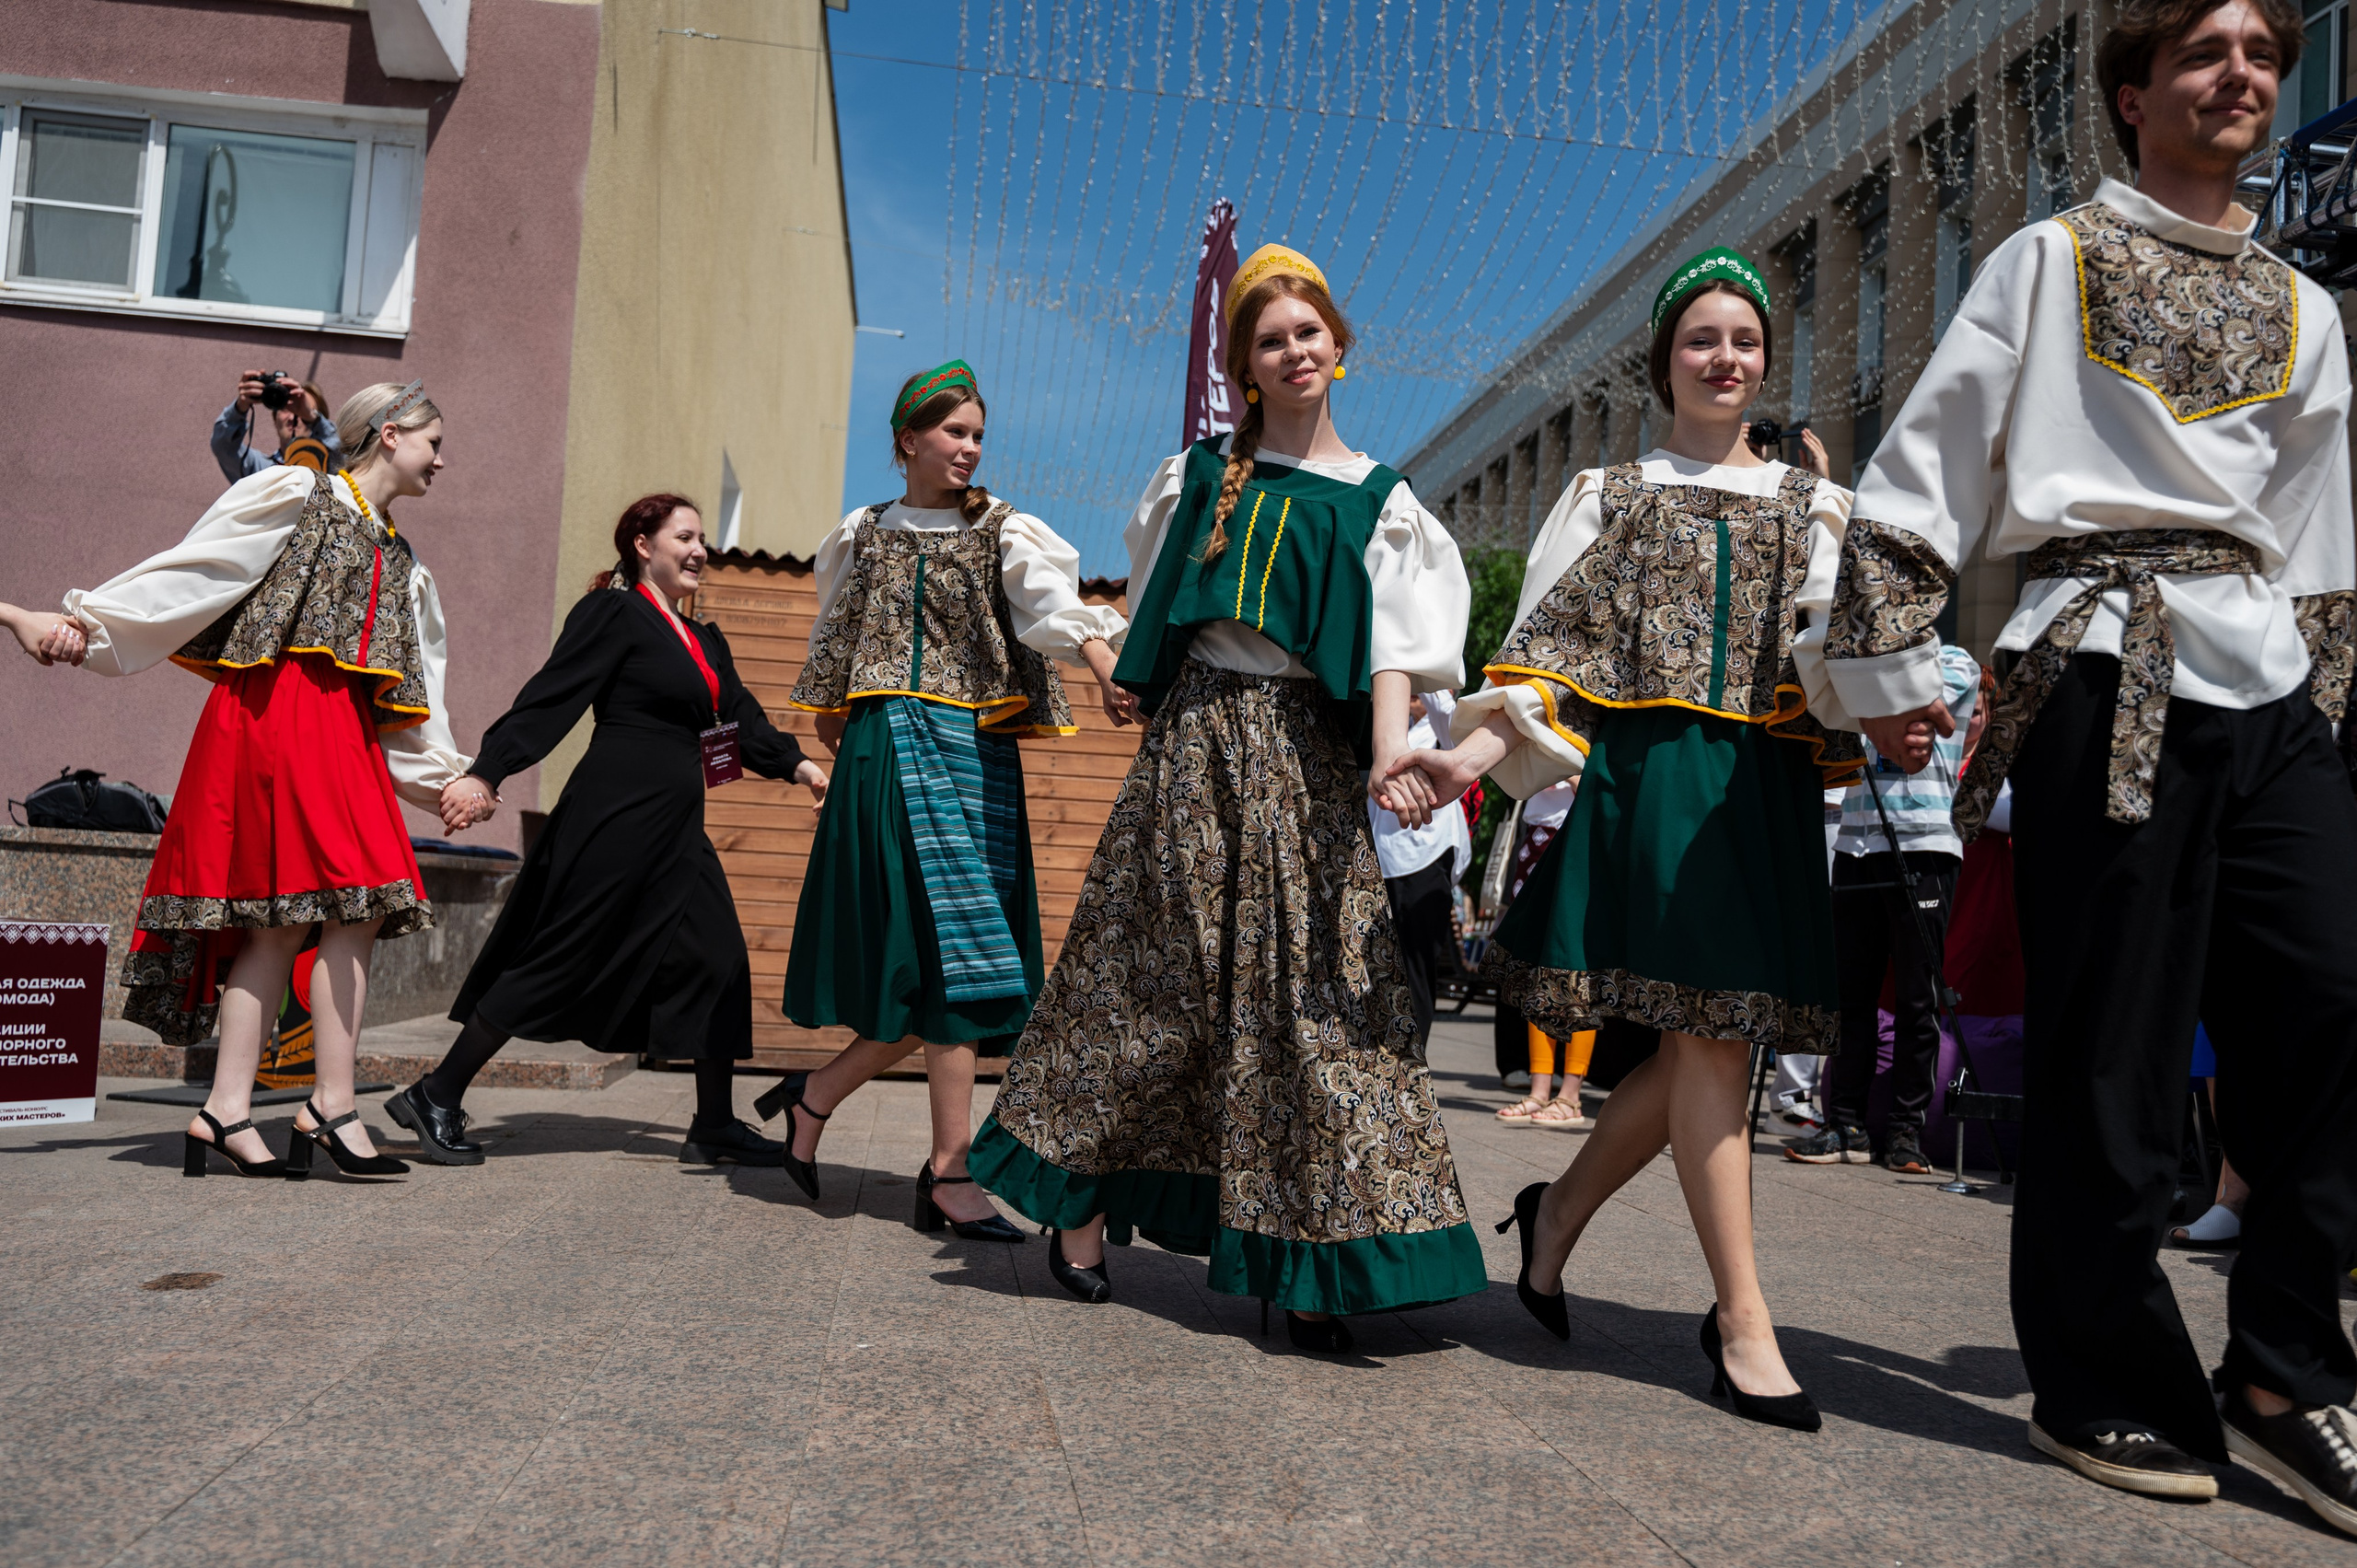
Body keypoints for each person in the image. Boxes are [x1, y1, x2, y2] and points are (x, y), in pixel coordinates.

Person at [1821, 0, 2357, 1527]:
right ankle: (2107, 1374)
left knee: (2333, 996)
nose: (2242, 74)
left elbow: (2320, 526)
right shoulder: (2044, 262)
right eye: (2205, 52)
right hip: (2102, 656)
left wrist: (2325, 705)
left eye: (2264, 54)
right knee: (2113, 1042)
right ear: (2133, 94)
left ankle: (2284, 1370)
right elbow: (1925, 466)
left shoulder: (2305, 310)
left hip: (2266, 677)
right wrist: (1885, 681)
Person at [967, 244, 1486, 1348]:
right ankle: (1080, 1205)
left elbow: (1395, 652)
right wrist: (1118, 665)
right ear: (1244, 366)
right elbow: (1152, 609)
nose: (1293, 351)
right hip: (1197, 749)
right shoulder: (1199, 476)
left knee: (1324, 1005)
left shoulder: (1382, 500)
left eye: (1307, 332)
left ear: (1339, 345)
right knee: (1150, 983)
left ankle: (1313, 1260)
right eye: (1269, 339)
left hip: (1314, 764)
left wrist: (1388, 755)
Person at [1394, 247, 1864, 1429]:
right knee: (1710, 1045)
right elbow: (1545, 656)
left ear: (1766, 359)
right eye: (1701, 338)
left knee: (1707, 1046)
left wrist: (1897, 703)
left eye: (1744, 339)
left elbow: (1842, 654)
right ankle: (1744, 1321)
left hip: (1763, 788)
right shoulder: (1612, 494)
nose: (1724, 357)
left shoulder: (1815, 504)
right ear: (1664, 362)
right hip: (1654, 784)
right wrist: (1465, 760)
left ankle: (1554, 1215)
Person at [1, 379, 476, 1179]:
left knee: (280, 924)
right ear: (391, 433)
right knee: (352, 907)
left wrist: (446, 779)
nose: (443, 461)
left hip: (340, 731)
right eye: (435, 443)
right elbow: (198, 569)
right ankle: (330, 1106)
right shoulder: (301, 492)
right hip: (280, 716)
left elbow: (413, 688)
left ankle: (224, 1110)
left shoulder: (402, 559)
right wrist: (90, 624)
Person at [756, 361, 1130, 1239]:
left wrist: (1103, 662)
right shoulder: (861, 533)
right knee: (942, 957)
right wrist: (839, 737)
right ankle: (948, 1171)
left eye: (977, 435)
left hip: (977, 751)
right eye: (955, 432)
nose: (970, 448)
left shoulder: (1003, 529)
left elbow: (1052, 602)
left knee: (968, 960)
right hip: (886, 748)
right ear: (907, 440)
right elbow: (833, 639)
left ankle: (818, 1099)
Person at [384, 495, 829, 1168]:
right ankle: (436, 1092)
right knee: (562, 953)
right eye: (685, 536)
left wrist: (800, 766)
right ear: (643, 545)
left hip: (677, 826)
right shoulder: (613, 613)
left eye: (703, 539)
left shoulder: (705, 640)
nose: (700, 550)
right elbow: (551, 697)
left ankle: (713, 1123)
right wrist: (487, 772)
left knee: (718, 958)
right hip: (616, 816)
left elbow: (740, 720)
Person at [1787, 642, 1980, 1174]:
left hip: (1925, 843)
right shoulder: (1857, 668)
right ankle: (1845, 1124)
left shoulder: (1955, 662)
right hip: (1856, 842)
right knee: (1851, 995)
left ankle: (1905, 1131)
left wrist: (1868, 675)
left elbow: (1911, 699)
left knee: (1919, 997)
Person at [1370, 689, 1472, 1047]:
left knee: (1416, 968)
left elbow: (1446, 713)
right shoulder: (1390, 730)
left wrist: (1423, 673)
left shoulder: (1447, 725)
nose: (1409, 690)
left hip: (1426, 860)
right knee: (1379, 967)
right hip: (1383, 861)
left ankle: (1412, 1057)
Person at [212, 369, 340, 482]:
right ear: (275, 419)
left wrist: (312, 418)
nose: (292, 417)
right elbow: (223, 447)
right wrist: (239, 408)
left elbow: (345, 453)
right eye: (285, 409)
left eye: (301, 411)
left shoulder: (332, 469)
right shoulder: (261, 470)